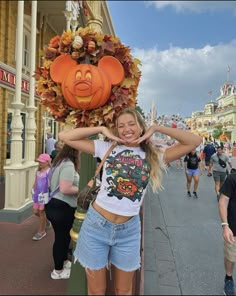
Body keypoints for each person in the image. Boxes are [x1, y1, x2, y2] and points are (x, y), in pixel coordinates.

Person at [59, 108, 202, 295]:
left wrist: (157, 127)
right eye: (121, 125)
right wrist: (102, 129)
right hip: (96, 226)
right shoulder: (107, 148)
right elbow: (65, 136)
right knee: (96, 291)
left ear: (141, 126)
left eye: (132, 123)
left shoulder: (154, 155)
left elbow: (194, 141)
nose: (126, 129)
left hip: (128, 232)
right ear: (116, 130)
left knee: (124, 291)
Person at [45, 144, 80, 280]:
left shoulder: (58, 163)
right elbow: (65, 189)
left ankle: (64, 262)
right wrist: (82, 186)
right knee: (61, 239)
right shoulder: (68, 164)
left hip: (55, 205)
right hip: (62, 206)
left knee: (63, 238)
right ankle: (58, 271)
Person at [218, 170, 236, 295]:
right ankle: (228, 278)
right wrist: (225, 226)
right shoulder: (232, 178)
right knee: (231, 256)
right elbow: (223, 201)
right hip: (233, 229)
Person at [32, 153, 51, 241]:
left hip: (44, 195)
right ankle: (47, 221)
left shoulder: (49, 172)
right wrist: (33, 190)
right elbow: (35, 183)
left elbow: (50, 184)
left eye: (42, 162)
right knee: (36, 212)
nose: (40, 163)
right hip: (37, 194)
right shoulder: (38, 172)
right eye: (39, 161)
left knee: (41, 212)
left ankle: (41, 231)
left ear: (47, 162)